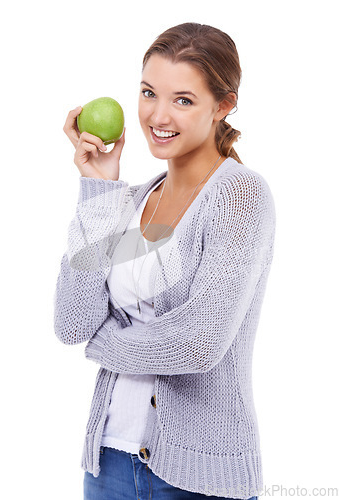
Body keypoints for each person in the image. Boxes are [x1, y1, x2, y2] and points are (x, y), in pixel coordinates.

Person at [54, 22, 275, 500]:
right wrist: (100, 189)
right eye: (149, 92)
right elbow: (73, 321)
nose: (158, 115)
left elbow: (198, 345)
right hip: (108, 463)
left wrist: (103, 345)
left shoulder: (238, 197)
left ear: (223, 106)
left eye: (183, 100)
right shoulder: (131, 204)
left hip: (201, 475)